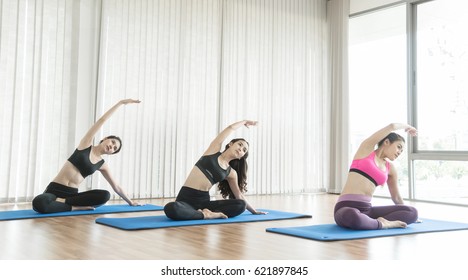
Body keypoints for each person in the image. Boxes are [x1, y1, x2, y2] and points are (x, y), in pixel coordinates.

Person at [32, 99, 142, 213]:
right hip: (54, 190)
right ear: (105, 139)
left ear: (111, 153)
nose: (112, 147)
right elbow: (101, 120)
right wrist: (121, 103)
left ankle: (62, 203)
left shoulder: (102, 164)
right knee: (38, 203)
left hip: (72, 195)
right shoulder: (86, 144)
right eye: (112, 142)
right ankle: (73, 207)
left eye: (115, 149)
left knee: (105, 195)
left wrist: (131, 202)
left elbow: (116, 186)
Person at [164, 120, 267, 220]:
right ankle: (206, 215)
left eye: (244, 150)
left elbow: (239, 195)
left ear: (241, 157)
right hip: (185, 199)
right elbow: (230, 128)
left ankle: (202, 214)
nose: (241, 149)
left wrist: (254, 211)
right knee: (171, 208)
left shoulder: (231, 173)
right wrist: (244, 122)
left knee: (241, 205)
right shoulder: (213, 151)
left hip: (204, 202)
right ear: (231, 144)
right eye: (240, 144)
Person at [334, 123, 419, 230]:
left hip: (368, 210)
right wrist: (407, 127)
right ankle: (382, 224)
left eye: (402, 151)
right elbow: (392, 126)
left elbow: (396, 197)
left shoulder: (390, 168)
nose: (399, 152)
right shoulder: (365, 151)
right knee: (352, 215)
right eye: (399, 147)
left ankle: (374, 223)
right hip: (346, 207)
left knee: (412, 212)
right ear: (386, 142)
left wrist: (409, 214)